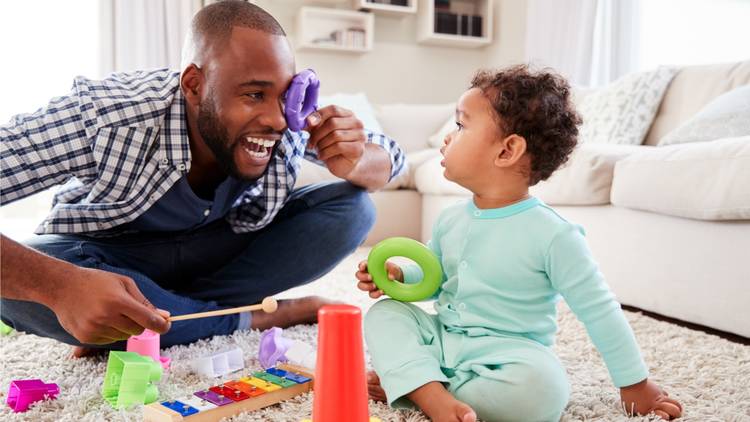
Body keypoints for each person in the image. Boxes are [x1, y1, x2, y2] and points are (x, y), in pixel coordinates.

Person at [0, 1, 404, 357]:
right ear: (194, 85)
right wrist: (58, 287)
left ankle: (165, 319)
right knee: (21, 285)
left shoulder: (288, 118)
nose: (278, 119)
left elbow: (391, 156)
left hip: (215, 251)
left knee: (352, 210)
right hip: (109, 255)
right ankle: (247, 317)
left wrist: (351, 157)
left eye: (283, 96)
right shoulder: (106, 115)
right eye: (253, 95)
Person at [355, 65, 683, 421]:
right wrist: (401, 275)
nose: (447, 138)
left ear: (508, 150)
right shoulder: (451, 218)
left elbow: (600, 311)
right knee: (385, 315)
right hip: (444, 338)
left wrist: (634, 385)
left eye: (461, 126)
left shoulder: (554, 234)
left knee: (543, 390)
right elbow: (434, 280)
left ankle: (417, 384)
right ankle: (429, 389)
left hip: (509, 355)